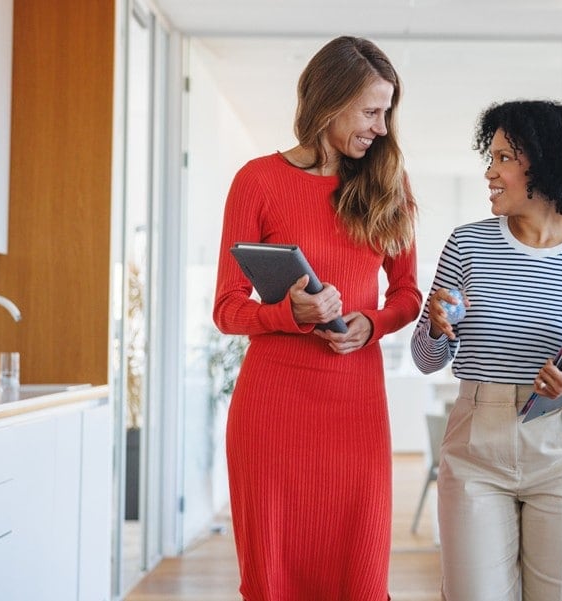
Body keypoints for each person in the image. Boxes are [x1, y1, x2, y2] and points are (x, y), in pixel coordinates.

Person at [410, 99, 562, 600]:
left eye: (502, 159)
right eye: (489, 157)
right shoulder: (466, 245)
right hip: (477, 441)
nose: (489, 173)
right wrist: (434, 328)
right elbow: (426, 359)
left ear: (545, 164)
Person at [212, 36, 420, 601]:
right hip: (274, 409)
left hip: (355, 407)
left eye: (387, 112)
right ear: (328, 102)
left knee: (360, 573)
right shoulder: (257, 181)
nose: (381, 127)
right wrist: (289, 313)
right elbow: (228, 310)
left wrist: (371, 323)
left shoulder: (389, 184)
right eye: (370, 111)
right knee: (273, 577)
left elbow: (407, 294)